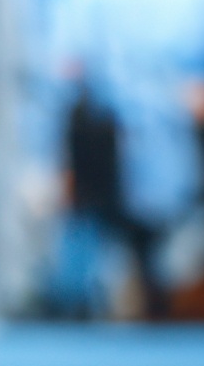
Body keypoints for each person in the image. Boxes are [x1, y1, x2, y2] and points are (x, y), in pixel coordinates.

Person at [61, 81, 158, 318]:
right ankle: (86, 302)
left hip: (105, 200)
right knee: (94, 256)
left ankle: (109, 305)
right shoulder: (88, 121)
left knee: (108, 256)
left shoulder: (107, 121)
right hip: (97, 199)